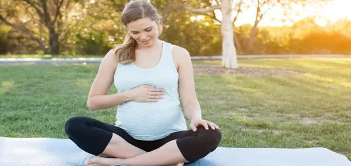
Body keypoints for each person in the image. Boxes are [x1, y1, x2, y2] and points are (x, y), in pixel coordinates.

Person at [64, 0, 222, 166]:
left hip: (170, 140)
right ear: (127, 30)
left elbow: (189, 100)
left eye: (148, 29)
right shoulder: (115, 56)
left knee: (211, 134)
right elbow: (93, 102)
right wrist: (130, 95)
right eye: (135, 32)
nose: (143, 37)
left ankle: (123, 163)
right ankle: (163, 161)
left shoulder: (178, 54)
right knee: (75, 125)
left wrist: (196, 118)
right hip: (125, 141)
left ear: (158, 21)